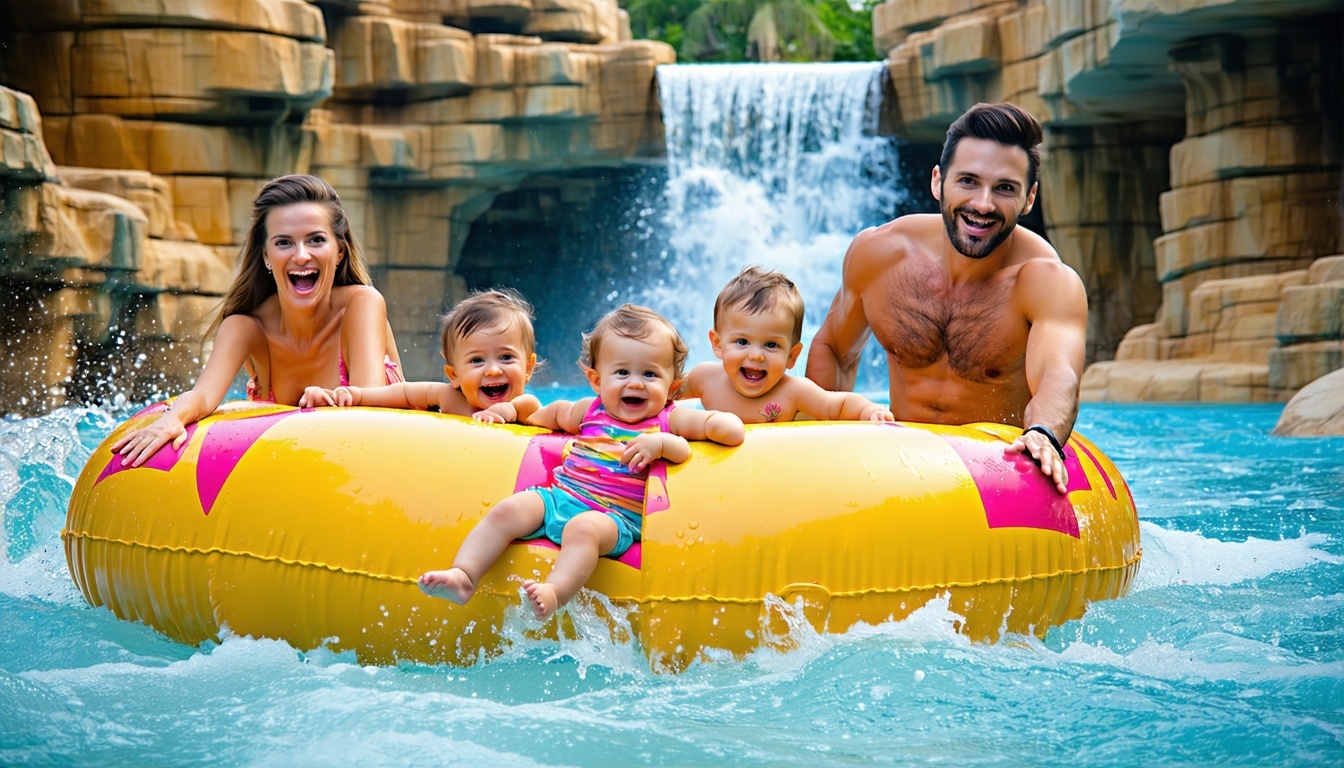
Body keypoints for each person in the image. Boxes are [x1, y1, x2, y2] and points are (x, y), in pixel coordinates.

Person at [805, 102, 1087, 493]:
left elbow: (1059, 375)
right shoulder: (879, 254)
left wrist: (1043, 433)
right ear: (938, 181)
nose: (983, 204)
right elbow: (834, 348)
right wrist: (825, 446)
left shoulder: (1046, 282)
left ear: (1029, 198)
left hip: (993, 479)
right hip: (897, 465)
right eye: (968, 181)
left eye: (1004, 188)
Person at [418, 304, 746, 620]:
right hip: (560, 497)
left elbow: (727, 432)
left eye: (649, 374)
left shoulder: (668, 420)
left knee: (582, 528)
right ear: (596, 380)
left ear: (672, 387)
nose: (635, 383)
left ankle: (555, 593)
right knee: (509, 509)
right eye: (621, 372)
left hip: (615, 518)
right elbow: (535, 415)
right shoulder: (589, 410)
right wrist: (504, 412)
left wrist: (661, 444)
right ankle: (464, 575)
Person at [112, 174, 403, 466]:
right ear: (266, 256)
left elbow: (369, 418)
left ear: (339, 251)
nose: (301, 256)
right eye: (284, 243)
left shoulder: (362, 304)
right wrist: (173, 418)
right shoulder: (247, 327)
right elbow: (202, 395)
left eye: (316, 240)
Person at [680, 265, 894, 424]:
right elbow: (664, 392)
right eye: (742, 342)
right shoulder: (704, 378)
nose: (756, 355)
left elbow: (837, 406)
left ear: (792, 356)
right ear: (717, 344)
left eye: (771, 345)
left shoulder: (795, 392)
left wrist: (870, 411)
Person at [303, 288, 541, 423]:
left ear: (528, 368)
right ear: (454, 374)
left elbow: (520, 410)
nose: (493, 370)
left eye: (506, 357)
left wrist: (505, 412)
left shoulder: (524, 405)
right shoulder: (448, 396)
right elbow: (404, 393)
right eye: (477, 360)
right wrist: (354, 394)